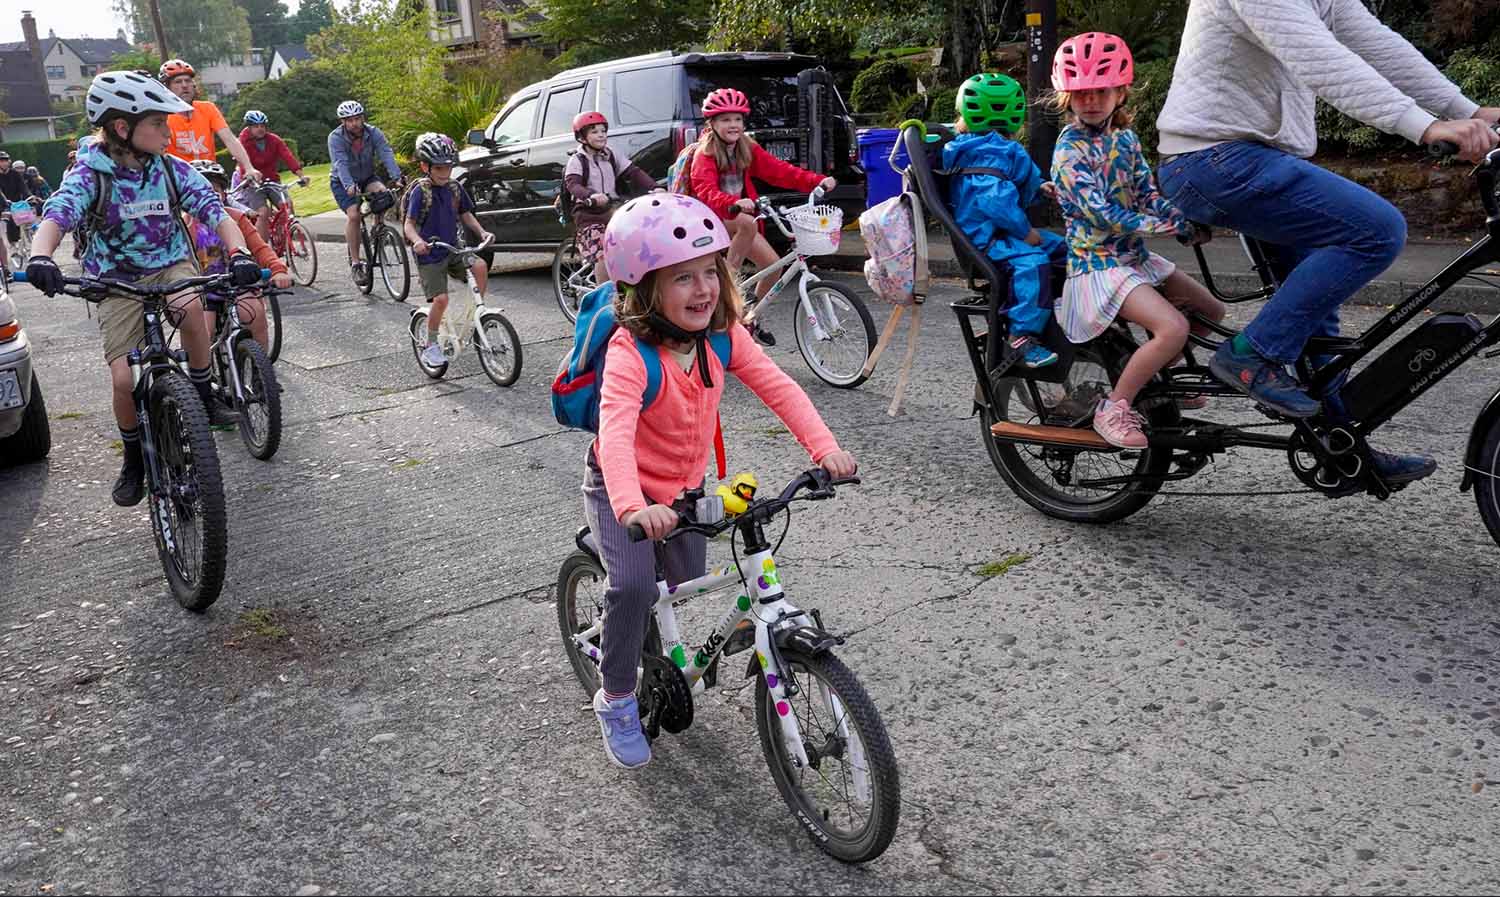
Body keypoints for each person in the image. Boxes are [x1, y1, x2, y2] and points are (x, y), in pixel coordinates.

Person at [1154, 0, 1500, 482]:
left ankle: (1340, 445)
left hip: (1254, 160)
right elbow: (1322, 61)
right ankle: (1252, 354)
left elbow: (1378, 45)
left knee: (1318, 322)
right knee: (1376, 230)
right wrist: (1425, 125)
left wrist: (1468, 111)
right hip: (1212, 160)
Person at [584, 193, 857, 768]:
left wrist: (824, 447)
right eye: (682, 278)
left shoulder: (723, 335)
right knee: (633, 589)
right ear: (643, 289)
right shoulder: (630, 353)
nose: (704, 288)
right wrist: (632, 506)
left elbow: (777, 386)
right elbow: (613, 437)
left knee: (687, 582)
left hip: (683, 490)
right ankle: (615, 697)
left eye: (710, 271)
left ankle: (672, 650)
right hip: (622, 492)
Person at [25, 71, 264, 507]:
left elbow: (214, 209)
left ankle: (204, 390)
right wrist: (41, 256)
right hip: (114, 280)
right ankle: (134, 454)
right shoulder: (91, 174)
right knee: (122, 379)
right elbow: (58, 214)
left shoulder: (171, 170)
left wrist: (240, 253)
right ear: (123, 128)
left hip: (171, 264)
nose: (168, 130)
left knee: (190, 308)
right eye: (158, 122)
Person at [1047, 33, 1226, 448]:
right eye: (1080, 93)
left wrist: (1183, 218)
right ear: (1067, 97)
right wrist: (1169, 228)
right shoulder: (1068, 152)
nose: (1090, 100)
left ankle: (1160, 379)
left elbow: (1146, 193)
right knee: (1173, 327)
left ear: (1120, 92)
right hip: (1098, 265)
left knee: (1210, 309)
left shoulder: (1125, 139)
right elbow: (1102, 216)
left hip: (1134, 259)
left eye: (1101, 90)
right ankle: (1115, 407)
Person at [688, 88, 835, 346]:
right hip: (710, 218)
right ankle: (728, 281)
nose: (733, 125)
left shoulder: (746, 147)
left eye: (737, 119)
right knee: (746, 223)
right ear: (712, 124)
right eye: (725, 120)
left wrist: (817, 181)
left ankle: (748, 319)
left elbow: (780, 172)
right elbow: (705, 191)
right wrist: (733, 202)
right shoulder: (705, 154)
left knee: (773, 266)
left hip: (737, 216)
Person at [943, 72, 1070, 368]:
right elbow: (994, 200)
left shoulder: (988, 149)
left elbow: (1015, 178)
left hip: (1004, 233)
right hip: (990, 239)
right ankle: (1021, 336)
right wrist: (1025, 232)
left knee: (1065, 249)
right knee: (1033, 263)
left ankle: (1058, 309)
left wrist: (1039, 187)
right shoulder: (984, 152)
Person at [184, 159, 294, 353]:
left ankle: (262, 373)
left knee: (253, 314)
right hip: (203, 290)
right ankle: (198, 377)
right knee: (201, 330)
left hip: (238, 283)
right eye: (202, 191)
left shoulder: (236, 217)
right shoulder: (185, 226)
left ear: (224, 193)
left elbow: (260, 248)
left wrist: (277, 270)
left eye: (215, 190)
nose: (209, 196)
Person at [402, 132, 489, 367]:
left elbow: (466, 214)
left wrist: (482, 232)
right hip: (429, 253)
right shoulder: (421, 192)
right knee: (440, 299)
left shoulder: (454, 188)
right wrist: (417, 241)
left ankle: (477, 316)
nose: (444, 173)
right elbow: (408, 225)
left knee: (480, 266)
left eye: (448, 167)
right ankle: (430, 345)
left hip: (452, 248)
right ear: (425, 166)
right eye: (439, 168)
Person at [563, 110, 656, 283]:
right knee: (603, 254)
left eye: (603, 131)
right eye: (594, 132)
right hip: (589, 215)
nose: (601, 135)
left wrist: (655, 187)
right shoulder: (578, 160)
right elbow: (573, 185)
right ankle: (604, 299)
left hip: (614, 210)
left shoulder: (611, 154)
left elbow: (634, 172)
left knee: (636, 245)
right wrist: (591, 196)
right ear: (582, 138)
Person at [327, 99, 402, 288]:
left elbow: (385, 152)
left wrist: (397, 176)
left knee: (384, 195)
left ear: (363, 118)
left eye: (357, 118)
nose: (354, 123)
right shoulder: (335, 137)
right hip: (342, 182)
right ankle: (356, 263)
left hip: (367, 176)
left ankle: (378, 226)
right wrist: (348, 184)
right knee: (354, 215)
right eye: (349, 120)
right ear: (343, 122)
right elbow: (340, 163)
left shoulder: (373, 132)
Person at [157, 59, 259, 187]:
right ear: (167, 88)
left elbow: (230, 140)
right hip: (180, 184)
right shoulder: (162, 116)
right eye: (178, 82)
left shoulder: (207, 108)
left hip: (210, 181)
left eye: (188, 81)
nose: (184, 85)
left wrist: (249, 167)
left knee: (241, 208)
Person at [235, 109, 309, 244]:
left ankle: (283, 238)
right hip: (252, 183)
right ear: (249, 127)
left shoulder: (274, 140)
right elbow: (242, 162)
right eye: (256, 126)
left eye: (262, 126)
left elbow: (288, 156)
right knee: (263, 212)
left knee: (287, 205)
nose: (260, 129)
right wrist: (249, 175)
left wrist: (301, 175)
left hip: (272, 179)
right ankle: (263, 249)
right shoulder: (243, 142)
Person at [0, 152, 33, 249]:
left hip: (17, 202)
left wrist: (30, 196)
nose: (4, 163)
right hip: (3, 203)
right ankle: (13, 244)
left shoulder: (15, 174)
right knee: (10, 221)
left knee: (26, 219)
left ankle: (28, 238)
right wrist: (4, 201)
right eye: (1, 161)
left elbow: (23, 187)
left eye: (6, 161)